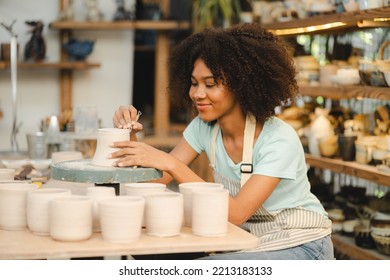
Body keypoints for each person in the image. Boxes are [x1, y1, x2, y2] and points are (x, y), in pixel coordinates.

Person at [111, 23, 334, 260]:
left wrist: (173, 164)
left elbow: (236, 214)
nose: (197, 94)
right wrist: (129, 134)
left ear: (241, 85)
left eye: (210, 84)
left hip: (300, 244)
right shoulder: (205, 127)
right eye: (194, 83)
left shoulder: (279, 140)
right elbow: (155, 182)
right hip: (245, 242)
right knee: (152, 256)